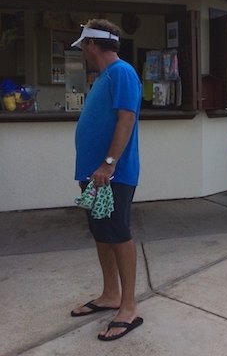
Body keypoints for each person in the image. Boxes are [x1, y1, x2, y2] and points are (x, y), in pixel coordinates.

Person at [69, 19, 144, 341]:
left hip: (111, 174)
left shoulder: (122, 72)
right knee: (102, 234)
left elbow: (127, 118)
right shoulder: (104, 76)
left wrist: (109, 163)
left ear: (92, 45)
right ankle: (110, 294)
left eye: (83, 45)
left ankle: (128, 307)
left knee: (117, 233)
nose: (83, 51)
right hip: (94, 174)